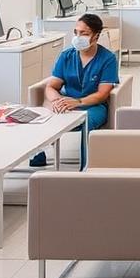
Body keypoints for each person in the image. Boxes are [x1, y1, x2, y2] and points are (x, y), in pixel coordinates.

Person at [29, 13, 119, 168]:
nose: (78, 37)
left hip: (93, 106)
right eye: (76, 32)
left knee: (87, 121)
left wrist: (77, 102)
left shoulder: (107, 58)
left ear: (96, 36)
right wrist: (58, 101)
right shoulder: (66, 56)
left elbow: (102, 94)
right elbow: (51, 87)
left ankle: (85, 168)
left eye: (84, 34)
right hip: (66, 101)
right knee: (45, 109)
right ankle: (39, 155)